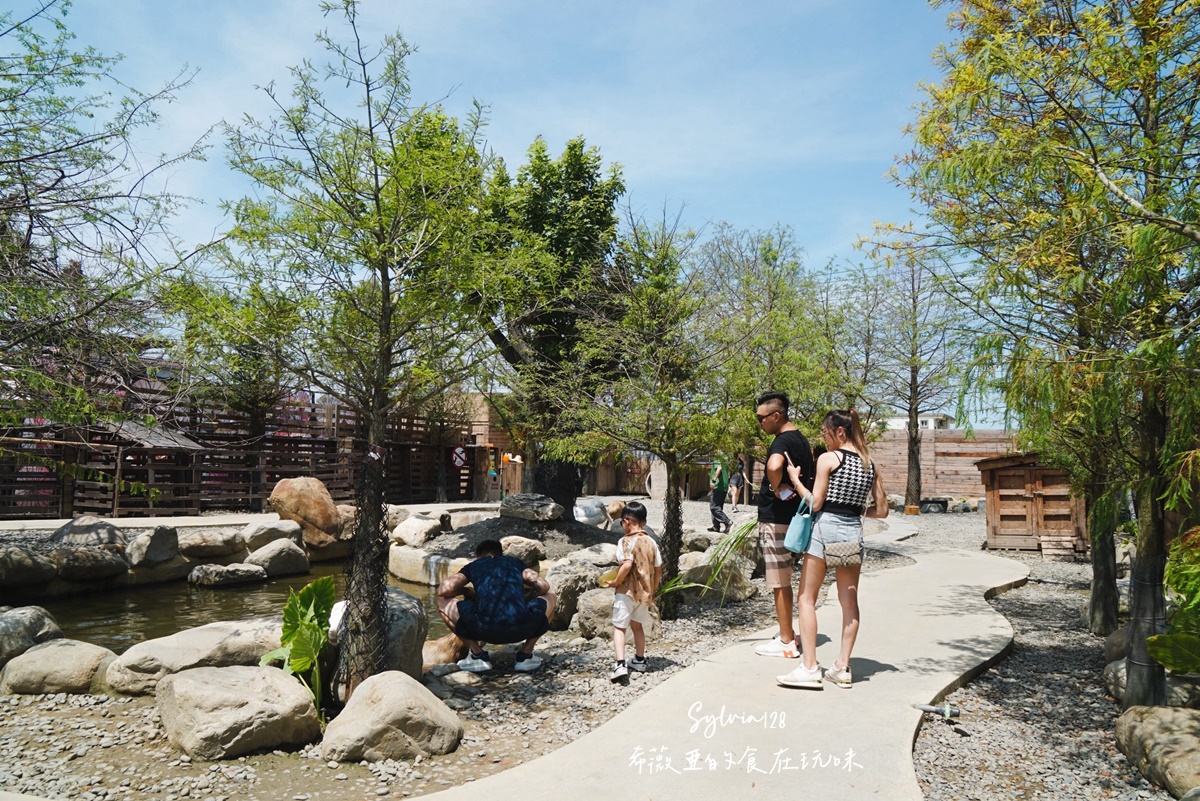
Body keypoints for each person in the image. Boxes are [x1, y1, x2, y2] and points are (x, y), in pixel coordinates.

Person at [777, 408, 888, 690]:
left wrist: (796, 479)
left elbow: (815, 503)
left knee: (806, 598)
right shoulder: (870, 464)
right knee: (849, 602)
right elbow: (883, 510)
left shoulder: (829, 459)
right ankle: (842, 667)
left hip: (825, 530)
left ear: (839, 432)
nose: (824, 440)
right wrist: (855, 512)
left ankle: (810, 667)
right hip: (853, 532)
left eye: (826, 434)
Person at [752, 392, 815, 659]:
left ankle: (787, 640)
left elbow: (774, 464)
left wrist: (776, 485)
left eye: (761, 418)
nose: (759, 424)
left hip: (776, 519)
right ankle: (788, 632)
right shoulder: (801, 439)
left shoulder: (782, 441)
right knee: (786, 579)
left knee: (779, 581)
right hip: (794, 519)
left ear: (776, 416)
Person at [435, 539, 557, 673]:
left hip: (484, 630)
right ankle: (525, 656)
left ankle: (478, 655)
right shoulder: (514, 562)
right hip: (523, 628)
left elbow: (443, 591)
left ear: (478, 556)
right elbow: (544, 586)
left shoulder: (474, 565)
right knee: (551, 594)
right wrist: (528, 597)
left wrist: (466, 591)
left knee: (442, 600)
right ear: (500, 554)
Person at [601, 501, 662, 682]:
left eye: (622, 522)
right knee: (637, 626)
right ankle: (640, 660)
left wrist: (615, 581)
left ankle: (620, 664)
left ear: (626, 521)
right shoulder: (651, 542)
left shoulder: (625, 541)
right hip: (644, 593)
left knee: (619, 627)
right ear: (644, 522)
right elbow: (659, 569)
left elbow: (627, 564)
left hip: (626, 592)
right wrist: (654, 589)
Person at [708, 457, 733, 533]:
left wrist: (713, 480)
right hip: (724, 487)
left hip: (718, 486)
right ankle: (716, 526)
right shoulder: (726, 458)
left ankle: (728, 522)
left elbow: (719, 468)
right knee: (718, 507)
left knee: (714, 507)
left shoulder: (718, 457)